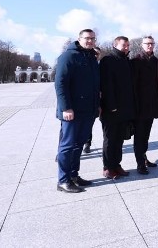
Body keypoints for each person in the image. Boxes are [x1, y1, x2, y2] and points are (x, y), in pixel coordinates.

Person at [55, 29, 100, 193]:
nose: (90, 41)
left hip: (88, 110)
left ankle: (73, 175)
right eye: (87, 38)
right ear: (79, 39)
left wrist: (98, 105)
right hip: (71, 111)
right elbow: (60, 84)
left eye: (92, 39)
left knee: (79, 144)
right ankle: (63, 180)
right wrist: (66, 107)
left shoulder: (91, 57)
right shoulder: (68, 56)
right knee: (67, 146)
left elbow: (95, 85)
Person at [100, 36, 136, 179]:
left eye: (128, 45)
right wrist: (111, 105)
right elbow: (106, 85)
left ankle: (116, 165)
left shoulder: (125, 60)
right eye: (123, 45)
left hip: (124, 108)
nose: (126, 47)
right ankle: (107, 167)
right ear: (115, 45)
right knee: (110, 139)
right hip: (111, 109)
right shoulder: (108, 60)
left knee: (120, 138)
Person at [131, 36, 158, 175]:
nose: (150, 46)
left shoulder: (156, 61)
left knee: (146, 135)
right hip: (140, 106)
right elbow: (132, 86)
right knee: (139, 136)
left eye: (152, 44)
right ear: (142, 45)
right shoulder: (136, 61)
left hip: (151, 105)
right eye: (147, 44)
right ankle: (140, 164)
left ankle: (144, 158)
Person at [83, 47, 102, 154]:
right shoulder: (84, 64)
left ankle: (87, 143)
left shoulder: (99, 66)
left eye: (97, 54)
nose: (95, 55)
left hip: (95, 99)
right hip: (82, 99)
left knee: (89, 123)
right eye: (94, 53)